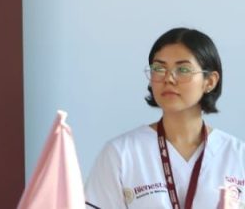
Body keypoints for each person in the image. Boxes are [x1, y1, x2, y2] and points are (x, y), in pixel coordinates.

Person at [84, 27, 245, 208]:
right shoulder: (121, 153)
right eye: (159, 68)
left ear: (210, 81)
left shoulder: (238, 157)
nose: (169, 78)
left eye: (183, 69)